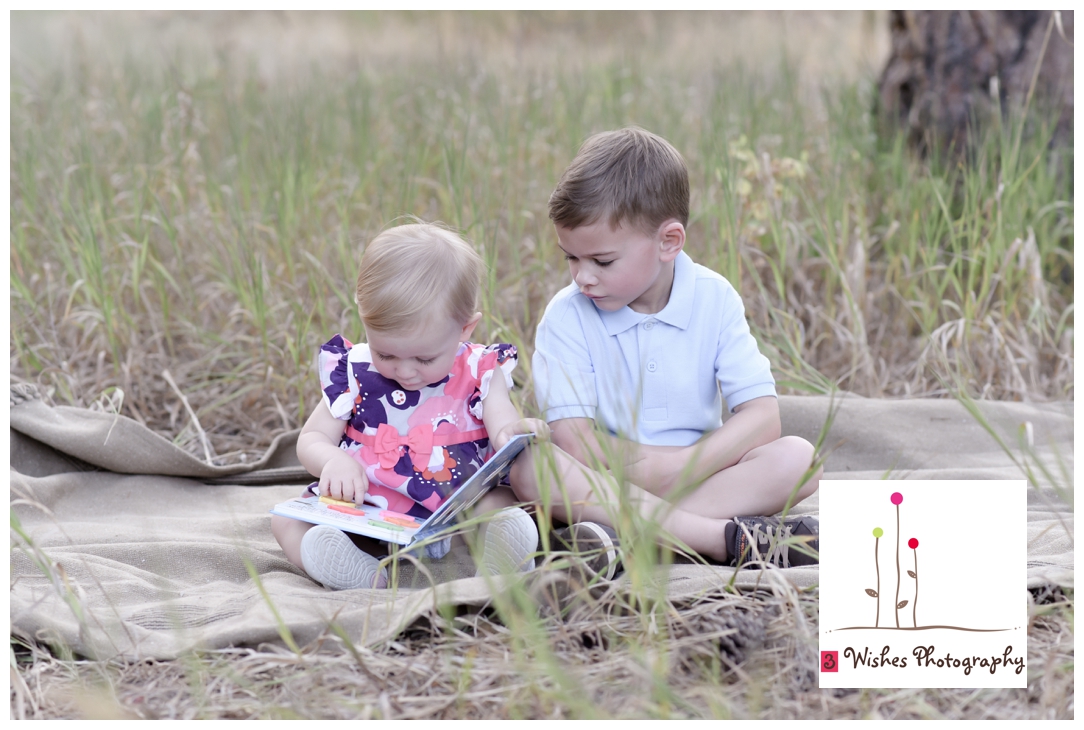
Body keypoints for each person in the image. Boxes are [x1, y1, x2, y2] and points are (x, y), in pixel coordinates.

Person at [518, 127, 821, 569]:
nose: (583, 277)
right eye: (571, 257)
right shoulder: (567, 316)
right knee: (533, 466)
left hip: (698, 475)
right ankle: (719, 539)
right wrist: (650, 470)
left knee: (800, 458)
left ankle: (624, 537)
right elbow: (574, 442)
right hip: (609, 481)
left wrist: (680, 467)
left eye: (602, 261)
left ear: (669, 241)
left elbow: (762, 417)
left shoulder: (714, 298)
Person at [272, 222, 547, 590]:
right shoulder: (354, 370)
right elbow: (312, 438)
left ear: (465, 329)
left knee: (502, 507)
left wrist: (516, 432)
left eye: (424, 358)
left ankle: (499, 560)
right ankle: (360, 573)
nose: (404, 371)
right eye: (386, 354)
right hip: (367, 508)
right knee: (286, 521)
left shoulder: (480, 370)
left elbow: (503, 428)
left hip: (456, 509)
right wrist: (333, 461)